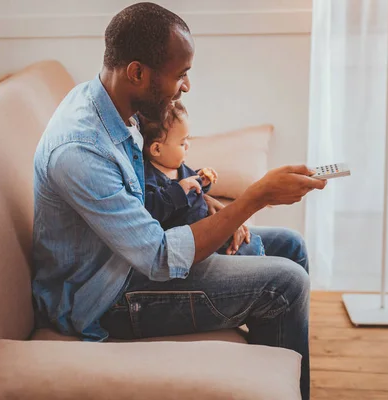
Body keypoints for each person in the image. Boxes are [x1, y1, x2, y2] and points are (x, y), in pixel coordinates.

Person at [31, 3, 326, 399]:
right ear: (137, 72)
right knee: (285, 284)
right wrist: (255, 197)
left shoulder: (117, 108)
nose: (186, 86)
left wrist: (211, 208)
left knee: (291, 246)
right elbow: (158, 258)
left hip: (127, 259)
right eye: (180, 74)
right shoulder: (80, 151)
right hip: (101, 297)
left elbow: (146, 207)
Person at [140, 100, 264, 256]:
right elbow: (152, 209)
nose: (188, 146)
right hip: (198, 243)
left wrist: (202, 180)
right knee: (251, 248)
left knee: (253, 242)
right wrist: (179, 190)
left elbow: (194, 188)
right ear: (157, 148)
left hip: (210, 226)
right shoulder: (149, 177)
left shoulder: (179, 167)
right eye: (182, 142)